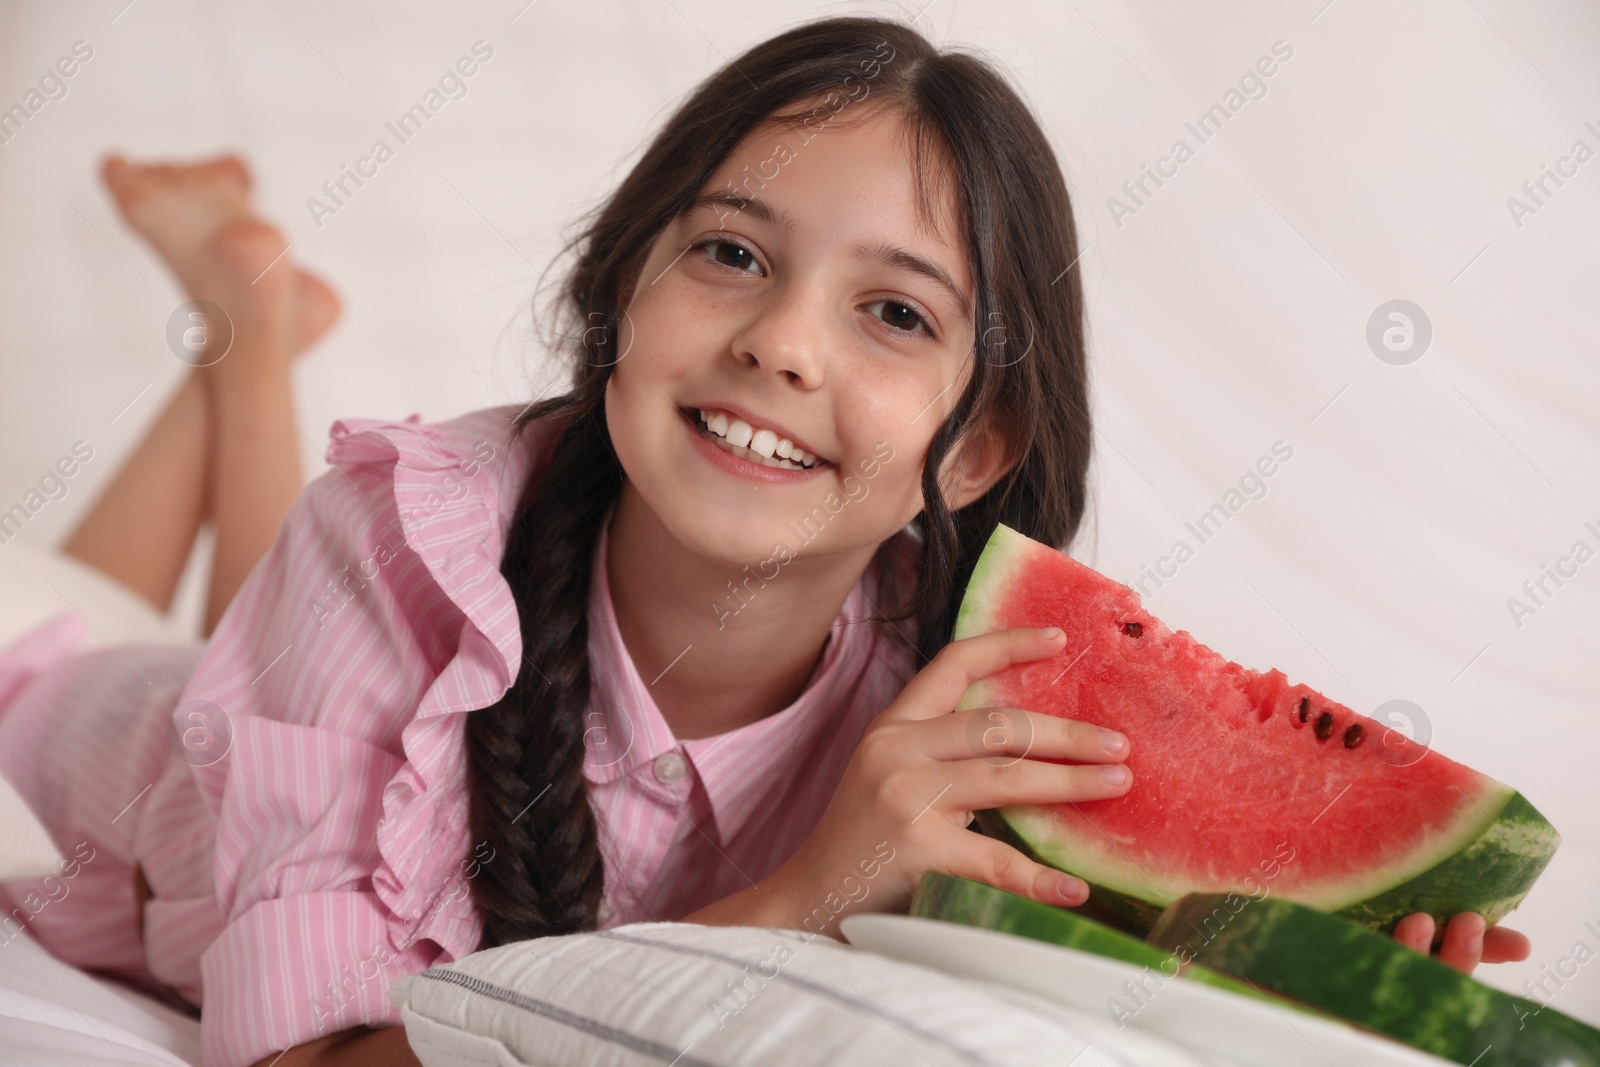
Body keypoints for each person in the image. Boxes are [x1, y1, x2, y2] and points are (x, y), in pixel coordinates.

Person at [0, 16, 1529, 1067]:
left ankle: (246, 333)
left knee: (215, 630)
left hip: (251, 687)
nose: (784, 345)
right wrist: (800, 900)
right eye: (731, 253)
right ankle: (248, 337)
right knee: (57, 630)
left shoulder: (965, 702)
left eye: (894, 312)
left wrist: (1318, 958)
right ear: (622, 304)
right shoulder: (393, 543)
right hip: (90, 756)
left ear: (981, 443)